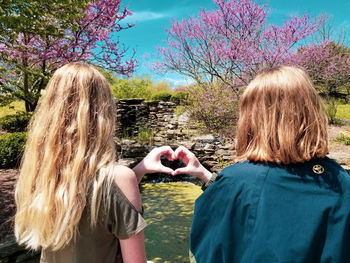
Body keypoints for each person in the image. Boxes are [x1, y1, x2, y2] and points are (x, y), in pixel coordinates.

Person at [172, 66, 350, 262]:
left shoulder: (234, 181)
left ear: (251, 119)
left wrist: (219, 183)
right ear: (311, 111)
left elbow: (204, 253)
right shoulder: (339, 179)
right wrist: (205, 175)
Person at [14, 62, 175, 263]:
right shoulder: (119, 179)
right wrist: (131, 175)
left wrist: (140, 168)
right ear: (102, 112)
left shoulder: (40, 175)